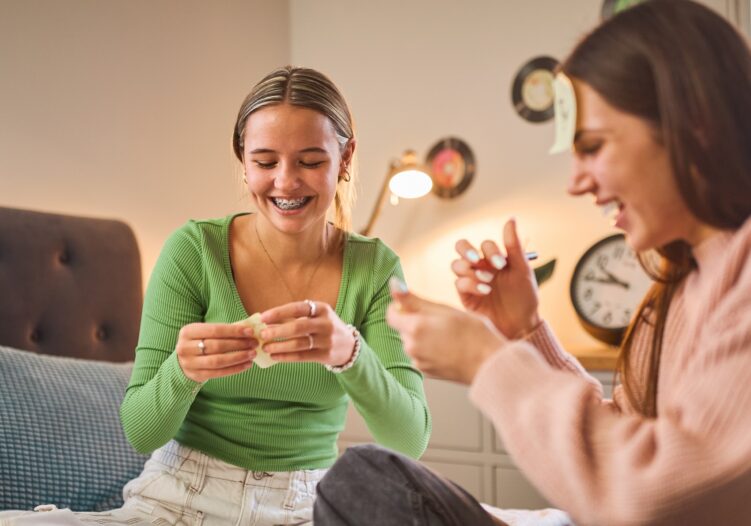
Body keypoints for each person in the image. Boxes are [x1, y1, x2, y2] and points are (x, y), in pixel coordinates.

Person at [313, 1, 751, 525]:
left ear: (691, 124)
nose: (576, 180)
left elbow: (648, 496)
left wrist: (486, 360)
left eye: (592, 147)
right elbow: (626, 439)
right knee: (363, 479)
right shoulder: (685, 283)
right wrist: (525, 328)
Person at [0, 66, 430, 525]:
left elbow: (409, 439)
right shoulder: (193, 251)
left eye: (310, 161)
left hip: (304, 504)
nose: (285, 182)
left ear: (344, 159)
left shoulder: (375, 268)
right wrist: (182, 370)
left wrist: (349, 352)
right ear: (243, 161)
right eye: (266, 162)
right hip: (178, 497)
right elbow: (140, 432)